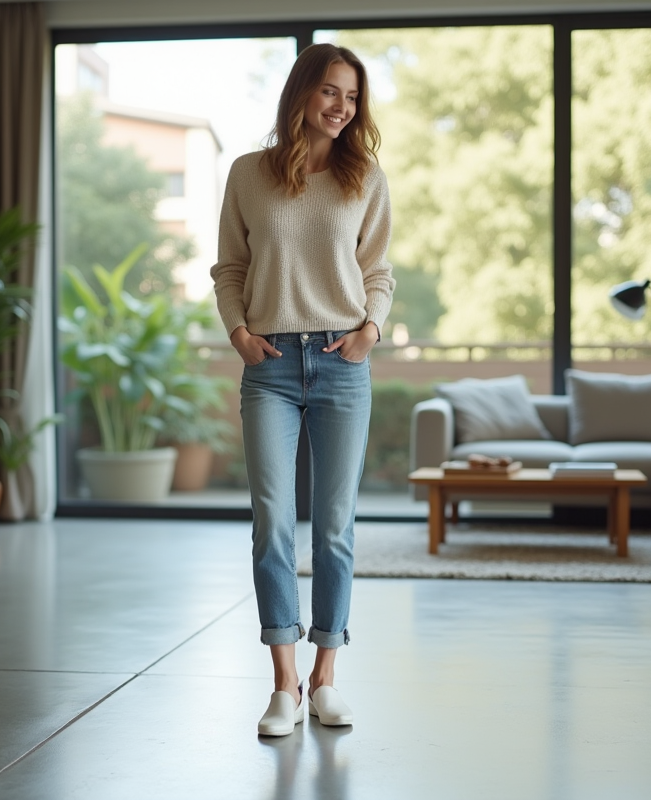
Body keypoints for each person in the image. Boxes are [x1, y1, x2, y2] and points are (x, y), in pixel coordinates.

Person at [210, 42, 395, 737]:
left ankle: (326, 677)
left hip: (344, 361)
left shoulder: (364, 177)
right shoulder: (247, 174)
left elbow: (378, 271)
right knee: (271, 525)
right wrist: (238, 333)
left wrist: (370, 331)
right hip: (271, 367)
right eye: (329, 92)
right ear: (300, 95)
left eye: (351, 96)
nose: (341, 107)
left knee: (337, 530)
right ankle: (283, 687)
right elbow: (229, 267)